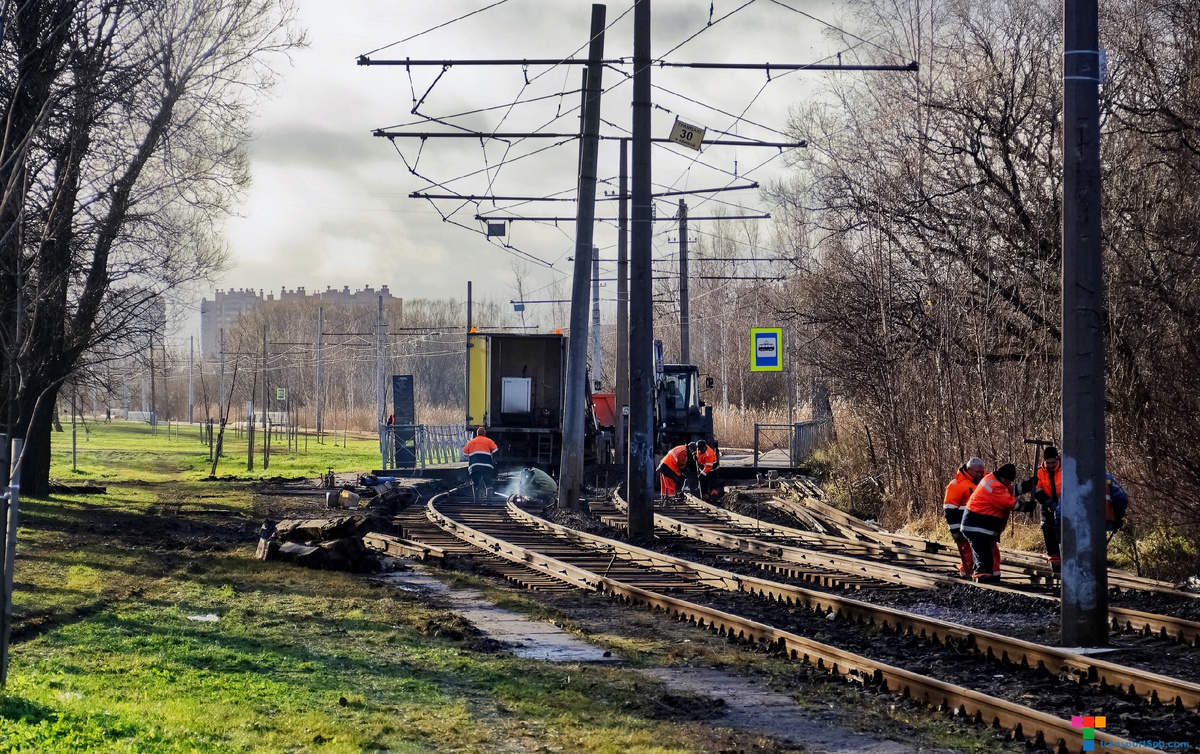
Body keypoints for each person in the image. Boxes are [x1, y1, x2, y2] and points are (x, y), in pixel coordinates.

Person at [961, 463, 1036, 583]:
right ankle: (983, 578)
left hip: (978, 526)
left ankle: (991, 577)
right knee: (984, 556)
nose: (1009, 484)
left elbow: (1010, 489)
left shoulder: (994, 480)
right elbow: (1009, 503)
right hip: (977, 526)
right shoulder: (995, 486)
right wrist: (1026, 506)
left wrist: (1027, 485)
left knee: (987, 554)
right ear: (1004, 478)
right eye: (1008, 481)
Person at [944, 457, 986, 577]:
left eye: (981, 472)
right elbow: (950, 510)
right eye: (977, 472)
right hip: (964, 525)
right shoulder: (957, 485)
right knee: (967, 553)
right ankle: (966, 574)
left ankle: (974, 573)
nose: (979, 474)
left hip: (979, 524)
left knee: (979, 553)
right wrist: (955, 531)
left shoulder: (983, 481)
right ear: (969, 469)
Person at [1032, 446, 1063, 573]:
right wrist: (1050, 503)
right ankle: (1055, 562)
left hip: (1065, 505)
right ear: (1044, 462)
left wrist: (1062, 503)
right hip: (1047, 506)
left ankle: (1067, 559)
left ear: (1057, 461)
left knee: (1064, 531)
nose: (1050, 465)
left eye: (1053, 463)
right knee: (1047, 529)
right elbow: (1038, 491)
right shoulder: (1039, 473)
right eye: (1048, 463)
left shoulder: (1065, 470)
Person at [463, 427, 499, 498]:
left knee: (475, 483)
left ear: (477, 433)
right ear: (484, 433)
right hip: (487, 466)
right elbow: (496, 450)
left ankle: (476, 501)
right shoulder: (489, 441)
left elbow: (465, 453)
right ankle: (489, 501)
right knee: (488, 484)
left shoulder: (471, 442)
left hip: (474, 467)